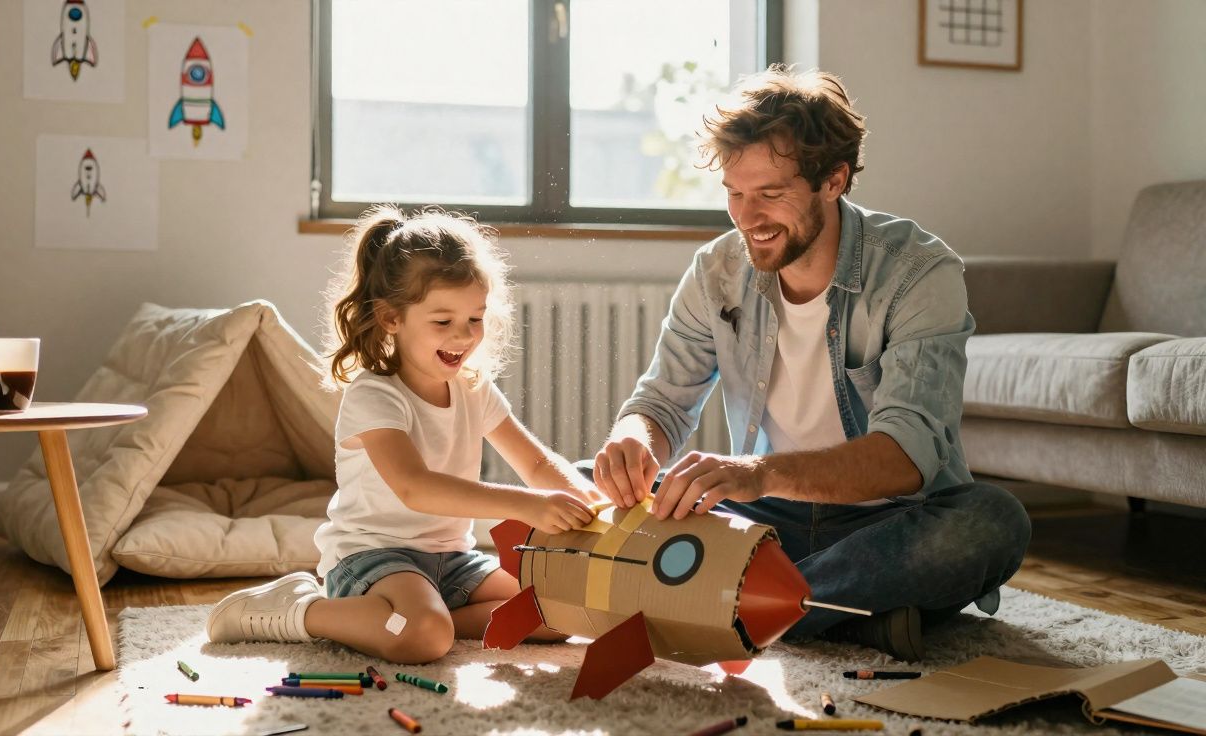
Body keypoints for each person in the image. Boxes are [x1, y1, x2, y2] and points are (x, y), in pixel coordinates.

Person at [592, 66, 1031, 662]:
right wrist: (631, 441)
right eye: (734, 194)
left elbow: (907, 453)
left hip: (889, 524)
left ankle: (732, 604)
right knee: (581, 487)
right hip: (763, 520)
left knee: (991, 523)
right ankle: (838, 615)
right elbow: (662, 403)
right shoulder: (717, 271)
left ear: (834, 179)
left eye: (770, 194)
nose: (747, 217)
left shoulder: (919, 272)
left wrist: (758, 472)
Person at [208, 205, 598, 663]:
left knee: (562, 612)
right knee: (423, 638)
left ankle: (423, 616)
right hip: (371, 557)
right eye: (442, 321)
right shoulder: (374, 394)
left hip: (451, 561)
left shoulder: (473, 388)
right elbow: (415, 488)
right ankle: (302, 609)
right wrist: (528, 505)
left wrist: (597, 508)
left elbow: (534, 463)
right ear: (392, 318)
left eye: (475, 318)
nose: (463, 336)